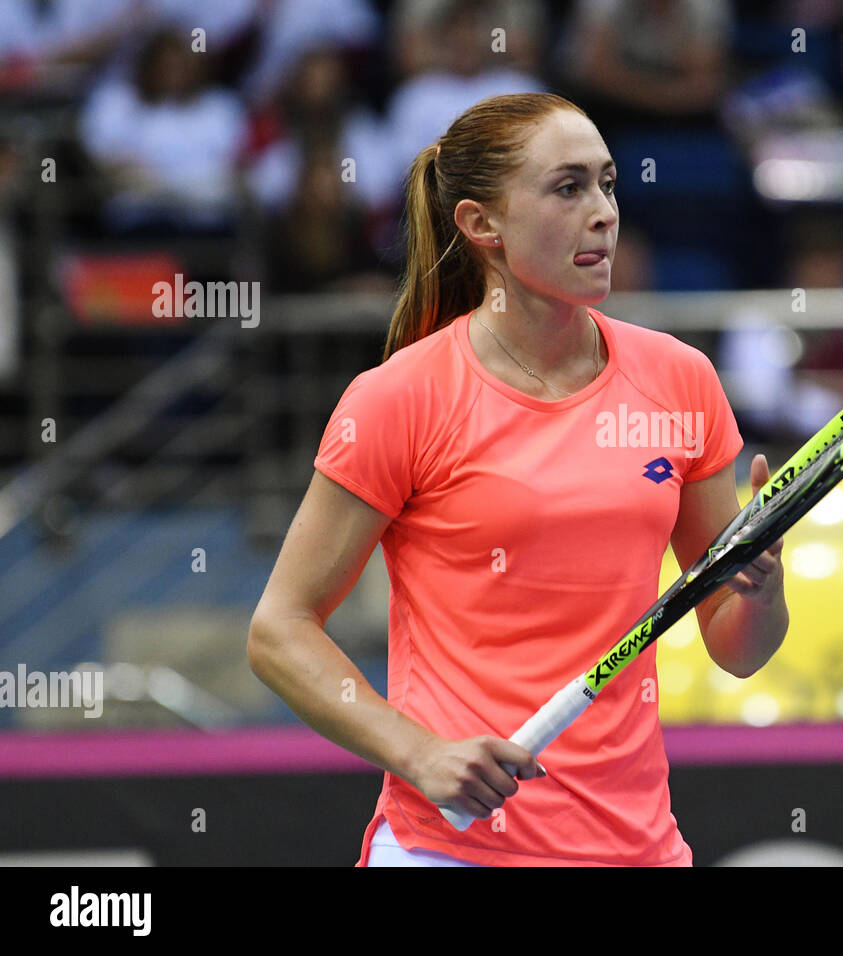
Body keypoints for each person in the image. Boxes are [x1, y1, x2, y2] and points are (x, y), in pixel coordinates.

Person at [247, 92, 789, 867]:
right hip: (450, 851)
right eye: (568, 188)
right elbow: (279, 631)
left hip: (636, 846)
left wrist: (762, 593)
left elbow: (736, 649)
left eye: (607, 184)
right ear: (481, 224)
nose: (603, 212)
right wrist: (418, 752)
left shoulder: (681, 380)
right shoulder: (401, 398)